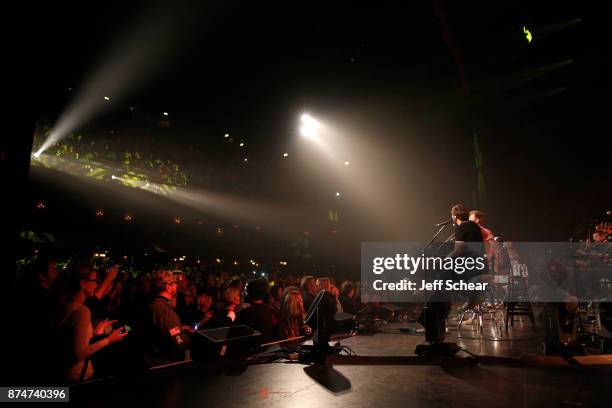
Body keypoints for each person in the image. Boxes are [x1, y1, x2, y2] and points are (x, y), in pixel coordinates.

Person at [54, 264, 127, 382]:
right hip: (77, 376)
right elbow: (79, 353)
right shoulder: (82, 311)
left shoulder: (66, 306)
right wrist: (108, 340)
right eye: (94, 280)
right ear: (82, 283)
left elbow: (74, 340)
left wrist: (94, 333)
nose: (97, 284)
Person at [143, 270, 191, 364]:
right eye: (174, 284)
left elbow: (163, 329)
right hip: (167, 362)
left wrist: (179, 328)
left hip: (155, 357)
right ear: (168, 287)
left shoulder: (154, 303)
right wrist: (188, 338)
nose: (177, 286)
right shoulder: (166, 310)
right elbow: (179, 343)